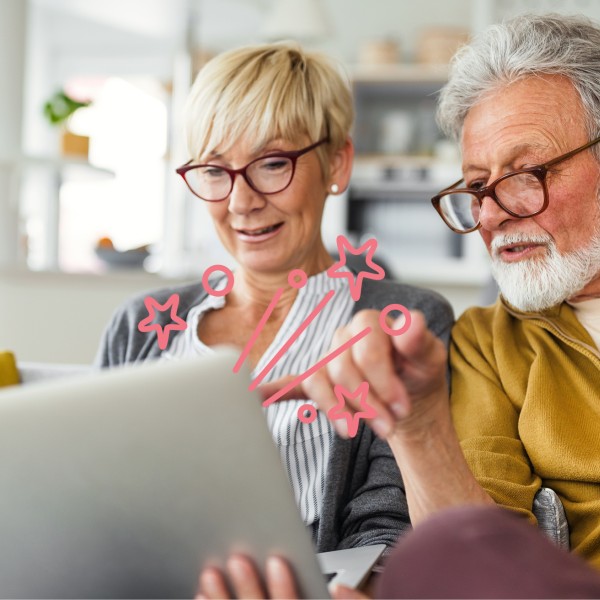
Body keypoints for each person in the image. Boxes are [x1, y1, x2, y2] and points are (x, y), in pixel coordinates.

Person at [197, 12, 600, 599]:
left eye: (525, 173)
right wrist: (419, 425)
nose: (489, 215)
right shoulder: (491, 343)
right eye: (477, 186)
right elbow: (474, 570)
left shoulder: (414, 314)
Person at [95, 42, 453, 563]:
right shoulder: (138, 327)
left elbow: (387, 535)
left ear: (337, 162)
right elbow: (94, 498)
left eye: (271, 163)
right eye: (215, 171)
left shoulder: (408, 323)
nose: (241, 202)